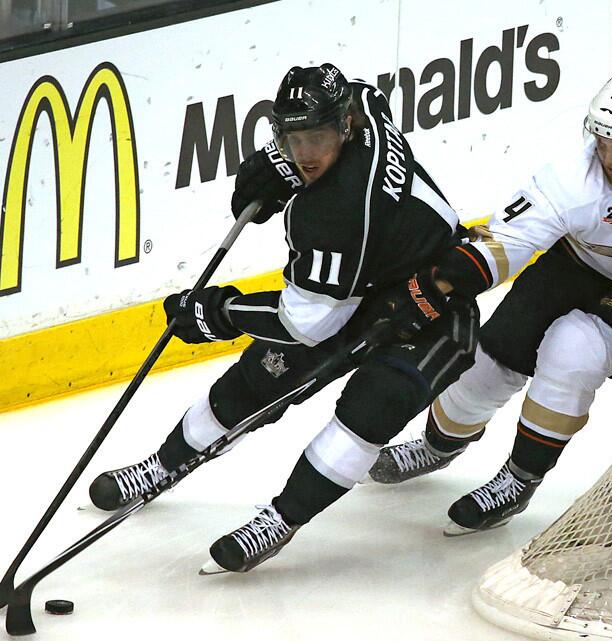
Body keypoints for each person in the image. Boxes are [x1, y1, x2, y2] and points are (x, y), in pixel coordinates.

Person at [87, 63, 479, 573]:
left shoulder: (333, 213)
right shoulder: (365, 108)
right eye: (292, 139)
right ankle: (165, 465)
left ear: (343, 126)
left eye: (316, 138)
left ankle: (280, 519)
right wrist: (284, 165)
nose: (305, 154)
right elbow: (366, 96)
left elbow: (308, 324)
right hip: (356, 286)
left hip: (431, 305)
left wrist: (220, 313)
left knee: (370, 409)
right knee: (255, 382)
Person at [369, 69, 612, 535]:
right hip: (578, 263)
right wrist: (442, 282)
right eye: (602, 141)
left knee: (572, 352)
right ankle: (437, 445)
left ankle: (519, 479)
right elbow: (507, 240)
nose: (609, 156)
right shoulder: (571, 180)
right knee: (486, 363)